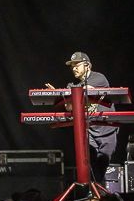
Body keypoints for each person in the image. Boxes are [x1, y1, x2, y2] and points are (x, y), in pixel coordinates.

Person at [46, 51, 118, 184]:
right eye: (72, 66)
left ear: (87, 66)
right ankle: (97, 195)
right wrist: (58, 95)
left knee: (103, 161)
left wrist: (68, 95)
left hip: (106, 129)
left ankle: (99, 194)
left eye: (76, 65)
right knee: (90, 164)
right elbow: (69, 108)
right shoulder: (71, 85)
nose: (73, 68)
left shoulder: (99, 78)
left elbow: (87, 89)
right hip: (89, 131)